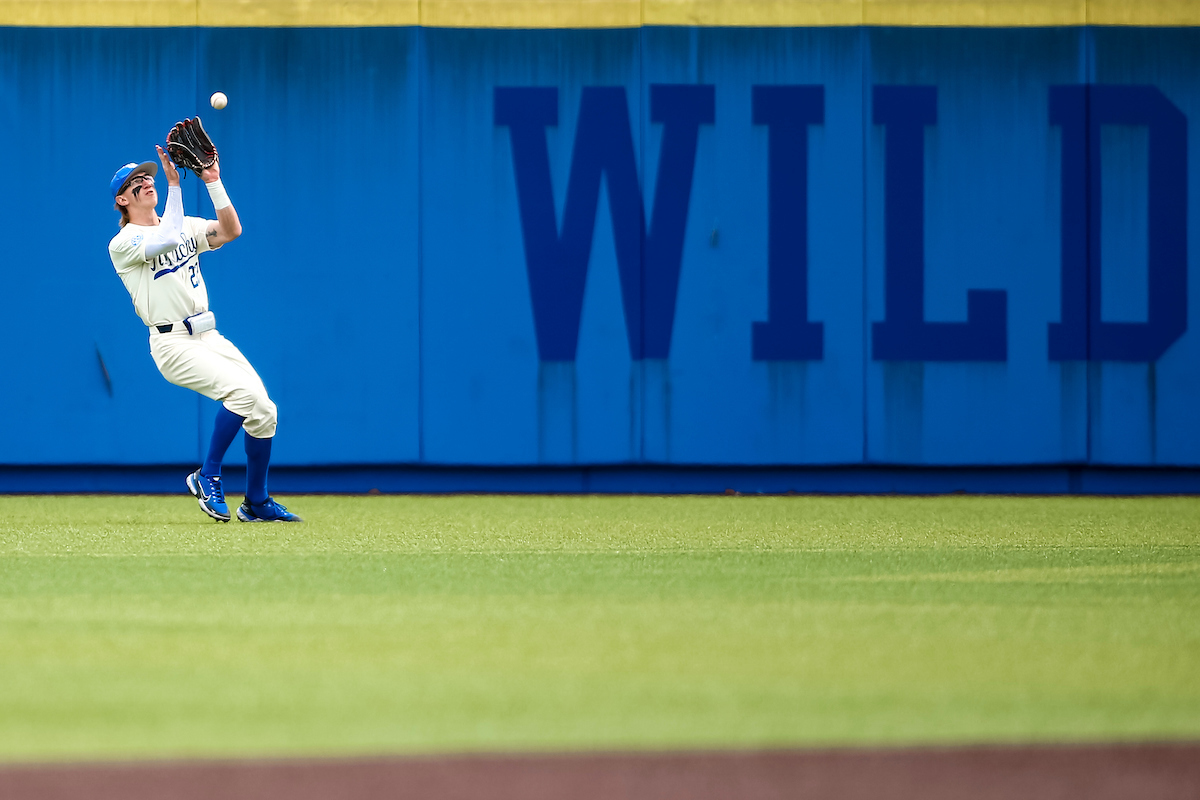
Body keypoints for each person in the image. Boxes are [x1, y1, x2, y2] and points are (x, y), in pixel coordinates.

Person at [107, 144, 301, 523]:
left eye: (149, 176)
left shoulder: (185, 225)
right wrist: (176, 186)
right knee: (243, 395)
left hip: (207, 335)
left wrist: (213, 182)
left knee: (264, 411)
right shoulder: (123, 242)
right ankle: (207, 473)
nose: (147, 182)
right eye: (136, 182)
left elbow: (231, 230)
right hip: (172, 343)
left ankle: (257, 501)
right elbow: (164, 239)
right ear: (122, 199)